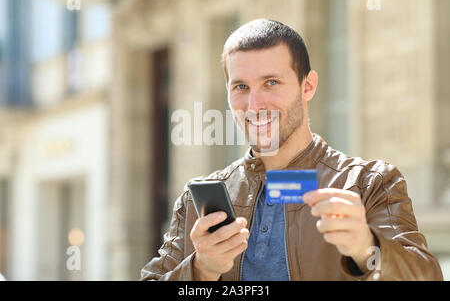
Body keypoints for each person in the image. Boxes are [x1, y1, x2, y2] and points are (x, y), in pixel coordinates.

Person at [141, 19, 443, 281]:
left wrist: (367, 247)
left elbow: (426, 275)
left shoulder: (370, 184)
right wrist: (200, 269)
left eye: (271, 82)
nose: (254, 105)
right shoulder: (198, 201)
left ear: (307, 86)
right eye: (241, 87)